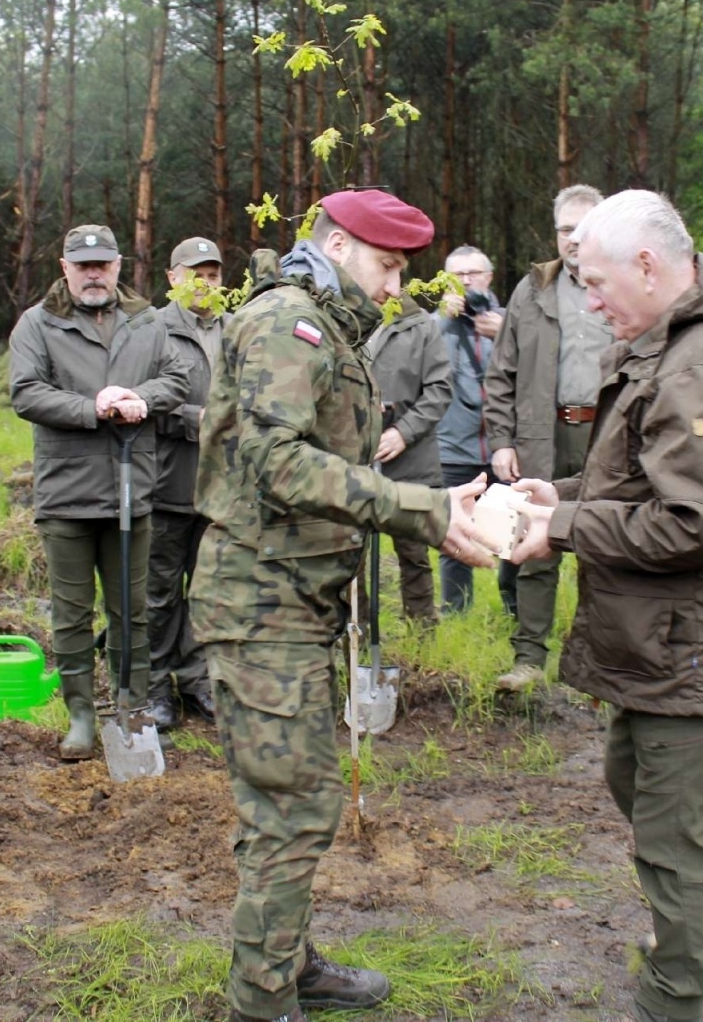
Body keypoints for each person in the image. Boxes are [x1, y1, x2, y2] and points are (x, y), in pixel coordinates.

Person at [190, 189, 493, 1022]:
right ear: (336, 244)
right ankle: (264, 999)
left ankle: (284, 961)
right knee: (294, 804)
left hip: (291, 602)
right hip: (262, 607)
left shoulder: (323, 326)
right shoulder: (289, 323)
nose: (398, 286)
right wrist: (418, 508)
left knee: (286, 799)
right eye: (389, 265)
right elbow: (276, 466)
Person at [504, 190, 703, 1022]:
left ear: (649, 266)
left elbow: (693, 525)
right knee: (636, 782)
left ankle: (674, 994)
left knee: (668, 829)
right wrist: (551, 493)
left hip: (691, 636)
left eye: (595, 284)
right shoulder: (673, 343)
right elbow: (638, 473)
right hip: (658, 636)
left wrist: (557, 526)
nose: (588, 302)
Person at [8, 224, 190, 760]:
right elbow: (26, 392)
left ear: (117, 267)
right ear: (64, 268)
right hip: (67, 491)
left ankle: (131, 708)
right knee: (71, 613)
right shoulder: (38, 324)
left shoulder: (147, 321)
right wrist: (95, 406)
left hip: (134, 486)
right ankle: (82, 716)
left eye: (102, 264)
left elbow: (176, 380)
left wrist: (141, 397)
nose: (93, 273)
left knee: (131, 610)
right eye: (82, 264)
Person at [483, 183, 608, 689]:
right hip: (540, 435)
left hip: (604, 435)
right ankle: (529, 659)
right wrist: (502, 440)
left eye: (584, 229)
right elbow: (501, 372)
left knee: (606, 543)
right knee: (535, 542)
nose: (574, 239)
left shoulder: (620, 284)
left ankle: (602, 661)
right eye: (564, 230)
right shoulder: (531, 290)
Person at [144, 236, 225, 730]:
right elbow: (144, 401)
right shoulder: (152, 329)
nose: (206, 283)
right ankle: (154, 686)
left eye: (214, 274)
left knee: (208, 591)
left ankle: (197, 681)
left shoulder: (236, 329)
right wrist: (205, 419)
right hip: (167, 484)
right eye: (196, 273)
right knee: (158, 592)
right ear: (173, 278)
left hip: (221, 490)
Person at [435, 245, 518, 615]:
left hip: (506, 450)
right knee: (454, 535)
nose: (466, 281)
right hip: (454, 448)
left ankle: (515, 610)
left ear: (489, 277)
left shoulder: (515, 322)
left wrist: (507, 333)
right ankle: (456, 613)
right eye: (458, 275)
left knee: (514, 534)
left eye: (473, 273)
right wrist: (442, 321)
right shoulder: (434, 325)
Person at [364, 293, 452, 625]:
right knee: (349, 556)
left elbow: (440, 388)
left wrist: (404, 431)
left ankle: (422, 633)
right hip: (354, 459)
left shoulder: (422, 327)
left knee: (414, 555)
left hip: (411, 460)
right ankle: (352, 635)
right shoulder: (341, 318)